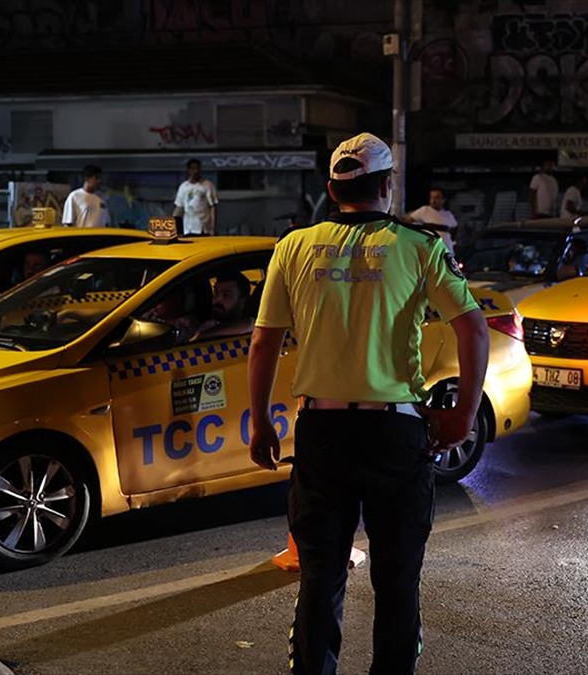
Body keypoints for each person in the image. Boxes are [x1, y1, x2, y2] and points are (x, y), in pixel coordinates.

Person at [248, 132, 489, 675]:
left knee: (320, 576)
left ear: (333, 190)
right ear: (386, 185)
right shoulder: (419, 246)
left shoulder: (293, 246)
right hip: (396, 435)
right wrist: (464, 414)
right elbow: (473, 330)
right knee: (398, 579)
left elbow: (264, 341)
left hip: (320, 433)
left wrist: (262, 421)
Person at [190, 271, 254, 341]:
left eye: (226, 295)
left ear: (243, 302)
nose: (217, 299)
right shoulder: (209, 324)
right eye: (216, 293)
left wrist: (201, 336)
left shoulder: (253, 329)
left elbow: (248, 325)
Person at [174, 158, 219, 235]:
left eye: (198, 169)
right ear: (189, 170)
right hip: (188, 229)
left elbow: (213, 207)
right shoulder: (183, 187)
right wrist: (172, 225)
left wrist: (212, 228)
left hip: (202, 228)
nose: (196, 171)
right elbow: (179, 207)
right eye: (193, 169)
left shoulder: (207, 185)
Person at [407, 187, 459, 252]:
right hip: (429, 249)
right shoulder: (424, 210)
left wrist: (453, 241)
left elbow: (455, 228)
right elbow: (408, 221)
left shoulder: (448, 215)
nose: (433, 200)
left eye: (437, 198)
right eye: (431, 197)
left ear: (443, 200)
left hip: (445, 250)